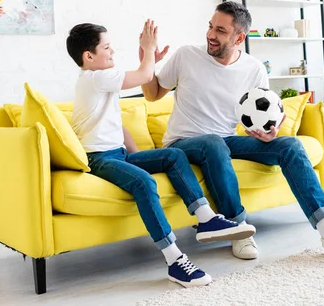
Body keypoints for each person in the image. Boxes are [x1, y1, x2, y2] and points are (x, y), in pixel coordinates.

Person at [141, 1, 324, 260]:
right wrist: (147, 60)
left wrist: (268, 132)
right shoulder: (186, 55)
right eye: (210, 27)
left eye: (220, 30)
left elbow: (257, 117)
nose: (211, 34)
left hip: (226, 141)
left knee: (290, 146)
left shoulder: (253, 69)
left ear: (239, 37)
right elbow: (153, 94)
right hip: (182, 143)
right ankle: (239, 230)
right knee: (213, 143)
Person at [65, 20, 256, 287]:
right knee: (145, 182)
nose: (112, 52)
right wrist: (147, 50)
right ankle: (175, 261)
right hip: (99, 159)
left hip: (117, 156)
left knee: (172, 156)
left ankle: (206, 219)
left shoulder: (102, 84)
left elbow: (117, 127)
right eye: (106, 47)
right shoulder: (95, 77)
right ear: (89, 56)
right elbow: (144, 77)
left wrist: (139, 158)